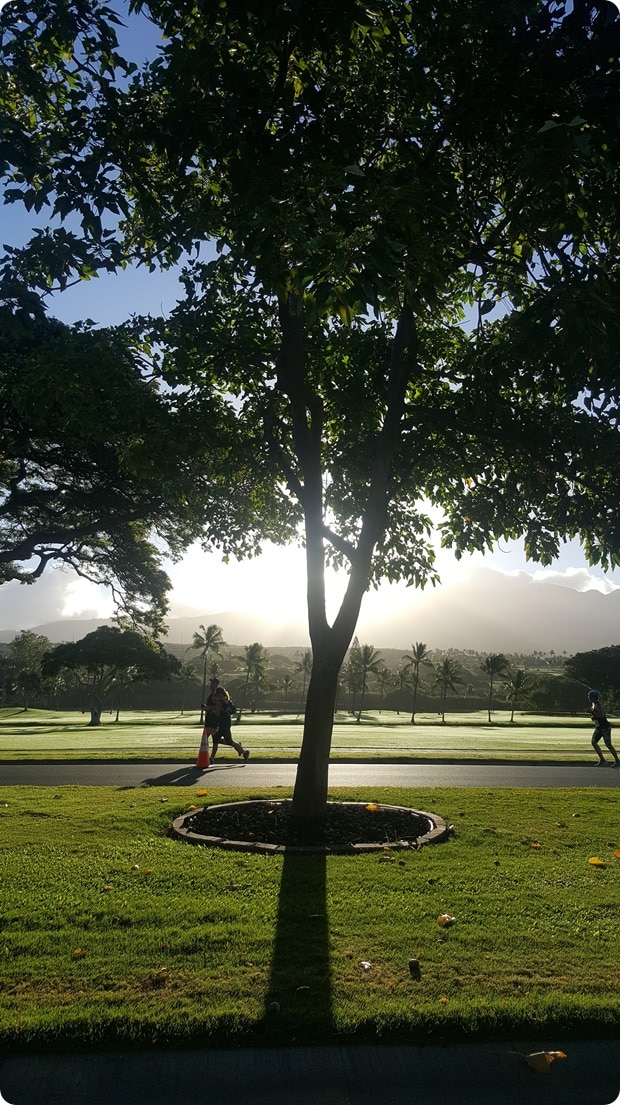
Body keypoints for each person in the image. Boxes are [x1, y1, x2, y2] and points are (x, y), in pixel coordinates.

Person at [211, 686, 250, 762]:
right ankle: (242, 751)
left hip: (221, 724)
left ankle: (212, 758)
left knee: (216, 739)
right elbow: (234, 710)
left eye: (217, 694)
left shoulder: (220, 703)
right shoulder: (229, 702)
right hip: (227, 723)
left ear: (220, 694)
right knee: (228, 741)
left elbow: (217, 714)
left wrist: (213, 711)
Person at [587, 689, 620, 768]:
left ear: (595, 697)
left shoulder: (598, 704)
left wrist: (591, 712)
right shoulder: (593, 704)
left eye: (591, 697)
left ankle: (617, 761)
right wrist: (593, 716)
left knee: (608, 745)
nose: (589, 698)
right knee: (594, 742)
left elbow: (601, 715)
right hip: (599, 727)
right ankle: (602, 760)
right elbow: (597, 715)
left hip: (605, 727)